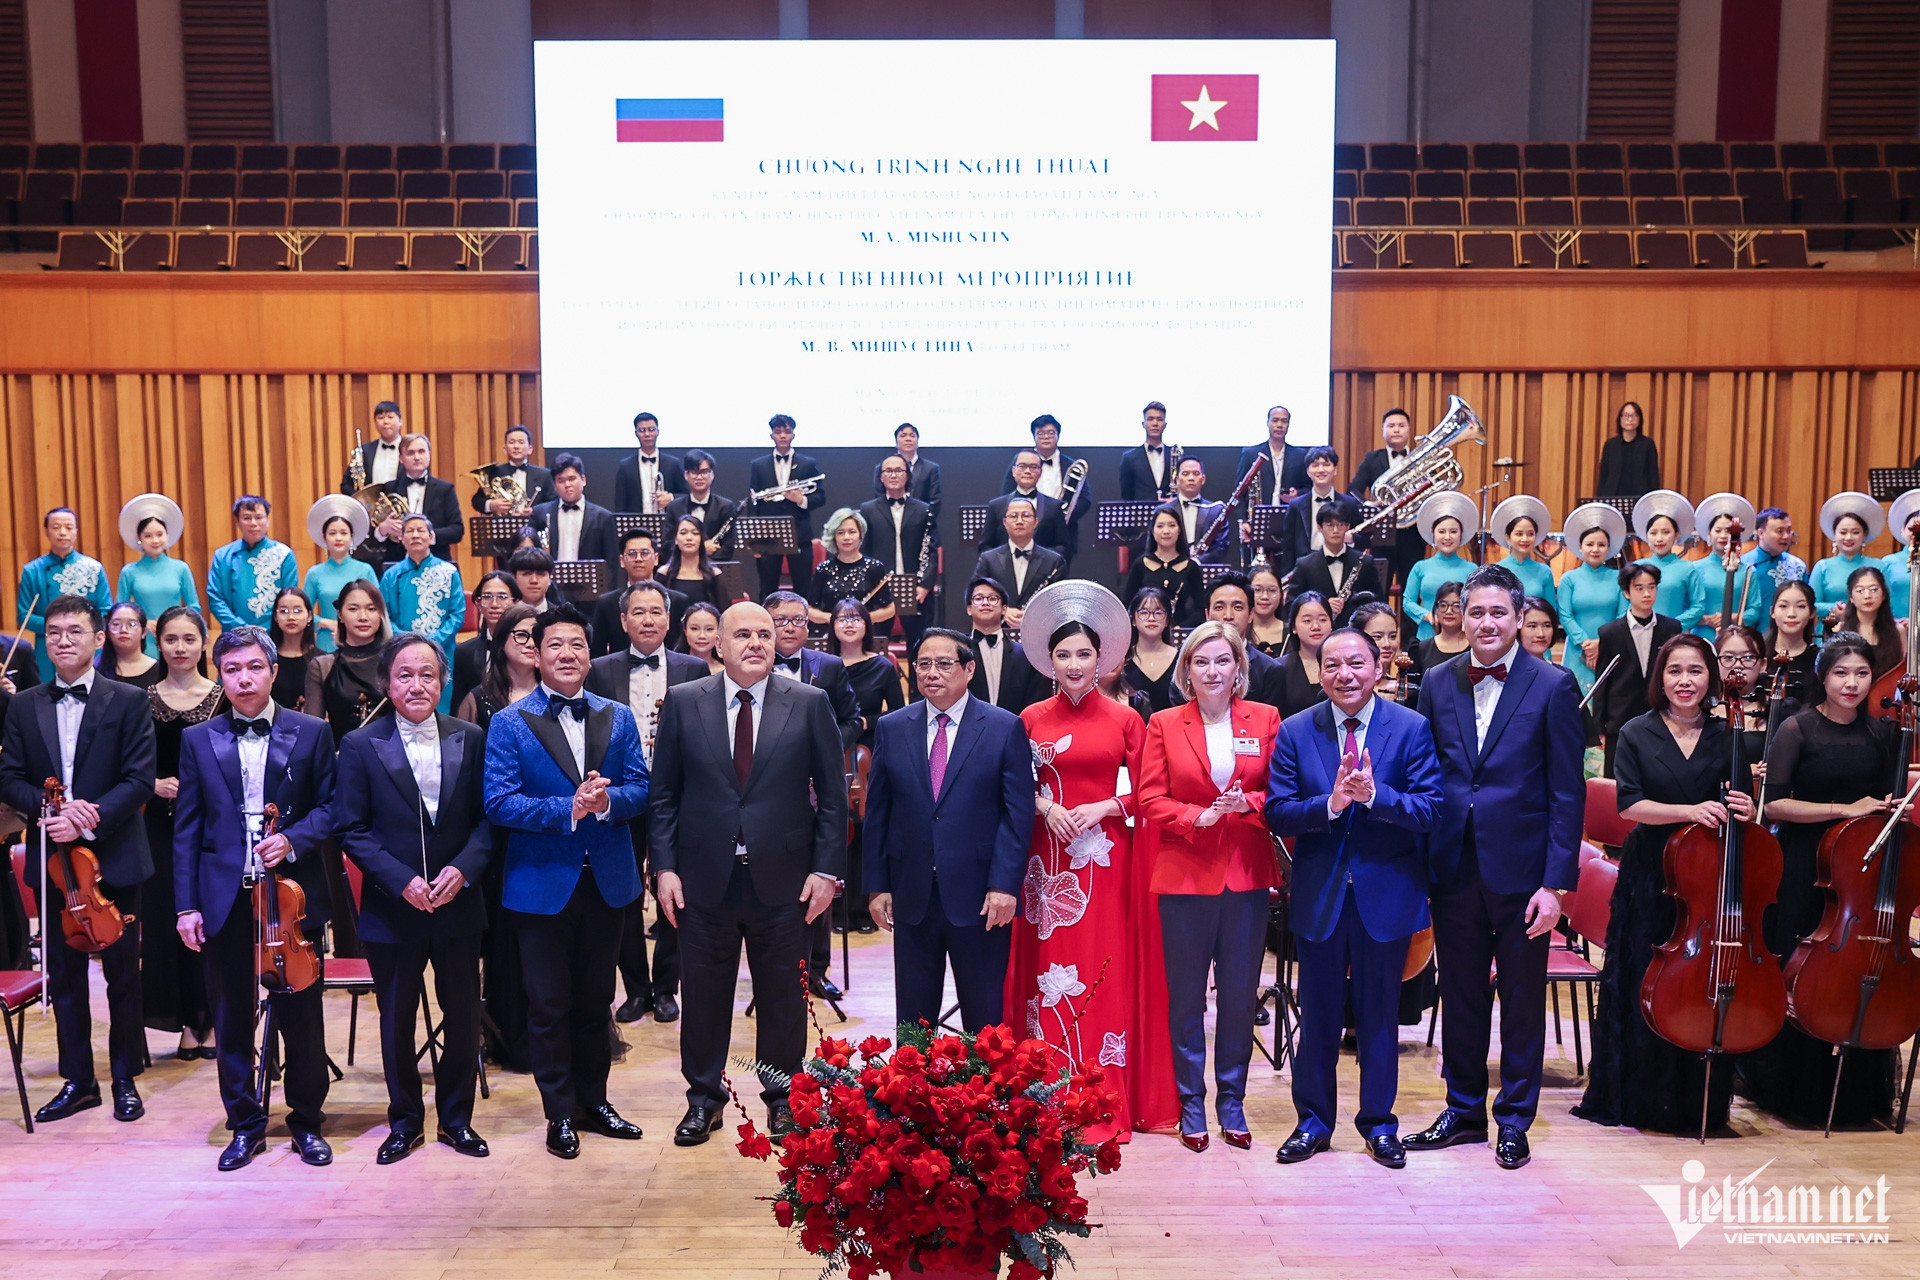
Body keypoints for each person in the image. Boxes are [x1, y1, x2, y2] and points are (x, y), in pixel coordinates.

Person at [649, 601, 848, 1147]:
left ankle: (784, 1099)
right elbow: (663, 795)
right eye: (743, 634)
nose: (757, 642)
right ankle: (704, 1100)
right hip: (702, 879)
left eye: (766, 632)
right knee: (706, 997)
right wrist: (663, 868)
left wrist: (827, 871)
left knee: (783, 997)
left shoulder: (809, 702)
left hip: (785, 880)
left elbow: (833, 798)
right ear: (719, 644)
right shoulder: (686, 702)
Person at [1408, 566, 1584, 1171]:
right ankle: (1462, 1111)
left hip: (1525, 872)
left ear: (1518, 618)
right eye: (1475, 612)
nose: (1485, 623)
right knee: (1457, 996)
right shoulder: (1436, 680)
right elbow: (1426, 776)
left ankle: (1514, 1118)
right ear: (1460, 615)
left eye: (1497, 614)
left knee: (1522, 999)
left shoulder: (1553, 685)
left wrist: (1556, 884)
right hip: (1453, 866)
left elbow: (1568, 793)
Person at [1267, 625, 1442, 1167]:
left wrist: (1376, 797)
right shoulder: (1297, 730)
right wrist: (1332, 804)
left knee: (1378, 1018)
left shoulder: (1410, 728)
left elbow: (1430, 809)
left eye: (1357, 664)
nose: (1345, 674)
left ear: (1378, 669)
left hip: (1384, 895)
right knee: (1316, 1017)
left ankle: (1379, 1124)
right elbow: (1276, 811)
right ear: (1320, 674)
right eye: (1333, 665)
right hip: (1321, 896)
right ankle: (1312, 1123)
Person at [482, 604, 650, 1158]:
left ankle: (594, 1102)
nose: (567, 655)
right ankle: (559, 1114)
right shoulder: (509, 722)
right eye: (554, 645)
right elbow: (499, 801)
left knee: (595, 1000)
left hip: (606, 880)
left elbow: (641, 789)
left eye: (577, 645)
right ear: (536, 652)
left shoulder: (618, 715)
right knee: (548, 1004)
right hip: (539, 884)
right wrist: (567, 808)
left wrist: (606, 804)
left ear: (590, 651)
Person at [1003, 581, 1163, 1141]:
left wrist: (1104, 806)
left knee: (1101, 967)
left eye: (1084, 654)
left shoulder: (1126, 720)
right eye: (1064, 654)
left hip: (1103, 859)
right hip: (1044, 867)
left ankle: (1099, 1097)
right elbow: (1013, 786)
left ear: (1103, 660)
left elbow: (1150, 791)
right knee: (1046, 972)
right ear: (1049, 660)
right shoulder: (1026, 718)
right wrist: (1044, 805)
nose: (1074, 664)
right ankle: (1043, 1096)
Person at [173, 625, 338, 1170]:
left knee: (302, 1019)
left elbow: (332, 809)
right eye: (232, 669)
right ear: (220, 676)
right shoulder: (198, 739)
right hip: (224, 897)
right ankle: (245, 1124)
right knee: (233, 1017)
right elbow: (188, 830)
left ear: (272, 670)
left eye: (254, 668)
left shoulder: (312, 732)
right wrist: (186, 904)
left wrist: (292, 838)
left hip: (291, 901)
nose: (244, 678)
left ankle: (307, 1123)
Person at [1573, 634, 1749, 1133]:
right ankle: (1637, 1098)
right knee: (1645, 981)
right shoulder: (1635, 731)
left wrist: (1746, 808)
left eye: (1695, 671)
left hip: (1710, 880)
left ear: (1711, 678)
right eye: (1675, 671)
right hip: (1652, 875)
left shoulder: (1731, 735)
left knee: (1702, 986)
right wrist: (1689, 812)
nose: (1685, 681)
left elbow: (1746, 805)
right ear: (1660, 678)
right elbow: (1629, 806)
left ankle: (1698, 1100)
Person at [335, 633, 493, 1163]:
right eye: (405, 675)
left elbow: (486, 822)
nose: (417, 684)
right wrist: (401, 880)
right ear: (386, 682)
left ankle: (456, 1120)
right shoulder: (360, 744)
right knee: (396, 1016)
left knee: (463, 1013)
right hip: (392, 907)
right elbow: (352, 830)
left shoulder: (470, 736)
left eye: (428, 674)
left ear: (443, 681)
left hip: (457, 903)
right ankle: (404, 1121)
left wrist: (462, 872)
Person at [0, 595, 156, 1124]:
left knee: (122, 976)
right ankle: (79, 1081)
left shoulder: (130, 700)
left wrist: (87, 818)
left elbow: (138, 780)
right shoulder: (24, 704)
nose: (63, 640)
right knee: (64, 975)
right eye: (53, 634)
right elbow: (8, 777)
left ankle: (126, 1079)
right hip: (53, 859)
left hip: (116, 854)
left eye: (74, 631)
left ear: (98, 638)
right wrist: (52, 810)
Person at [1138, 621, 1283, 1152]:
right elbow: (1150, 799)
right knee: (1186, 998)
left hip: (1245, 875)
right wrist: (1196, 817)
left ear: (1239, 667)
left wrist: (1251, 804)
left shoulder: (1265, 718)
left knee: (1241, 997)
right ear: (1186, 672)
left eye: (1223, 660)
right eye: (1201, 662)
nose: (1213, 670)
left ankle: (1232, 1100)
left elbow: (1281, 790)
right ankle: (1190, 1103)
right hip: (1184, 876)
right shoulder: (1163, 722)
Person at [1749, 634, 1899, 1125]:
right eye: (1841, 673)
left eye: (1860, 674)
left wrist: (1890, 808)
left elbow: (1883, 801)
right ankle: (1793, 1091)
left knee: (1853, 975)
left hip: (1859, 875)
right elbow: (1773, 803)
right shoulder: (1798, 729)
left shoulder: (1883, 733)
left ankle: (1857, 1094)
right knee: (1803, 971)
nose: (1851, 683)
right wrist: (1843, 810)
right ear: (1823, 676)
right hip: (1804, 868)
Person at [864, 627, 1031, 1031]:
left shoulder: (1003, 726)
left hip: (981, 897)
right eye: (923, 664)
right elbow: (878, 813)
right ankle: (914, 1093)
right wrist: (877, 885)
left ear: (969, 668)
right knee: (914, 1017)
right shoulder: (892, 726)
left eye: (944, 663)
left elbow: (1017, 814)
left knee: (985, 1015)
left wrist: (1005, 885)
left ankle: (988, 1094)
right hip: (911, 891)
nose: (931, 673)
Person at [587, 581, 707, 1026]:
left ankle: (667, 986)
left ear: (669, 618)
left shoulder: (695, 668)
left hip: (679, 796)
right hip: (618, 796)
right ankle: (636, 987)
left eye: (656, 612)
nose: (648, 620)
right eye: (638, 612)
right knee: (623, 892)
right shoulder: (599, 669)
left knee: (676, 889)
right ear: (623, 621)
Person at [458, 603, 540, 1072]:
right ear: (501, 640)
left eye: (536, 636)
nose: (529, 644)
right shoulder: (479, 698)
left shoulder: (563, 694)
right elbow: (466, 776)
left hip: (551, 831)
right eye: (520, 635)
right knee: (506, 943)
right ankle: (507, 1037)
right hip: (499, 836)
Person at [142, 606, 224, 1060]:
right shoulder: (141, 697)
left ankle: (210, 1019)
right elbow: (130, 762)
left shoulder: (221, 695)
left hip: (209, 825)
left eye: (189, 639)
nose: (180, 648)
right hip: (158, 824)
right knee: (168, 924)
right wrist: (152, 783)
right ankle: (184, 1024)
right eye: (171, 639)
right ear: (159, 643)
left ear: (203, 644)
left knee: (207, 922)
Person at [1593, 563, 1683, 776]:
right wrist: (1599, 727)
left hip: (1661, 716)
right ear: (1626, 592)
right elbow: (1602, 681)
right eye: (1639, 588)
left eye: (1652, 587)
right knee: (1617, 782)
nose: (1647, 593)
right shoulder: (1610, 632)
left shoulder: (1672, 628)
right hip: (1620, 719)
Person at [379, 513, 464, 711]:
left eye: (420, 530)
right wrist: (407, 640)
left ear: (431, 537)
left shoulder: (449, 572)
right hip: (401, 650)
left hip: (443, 650)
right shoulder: (391, 575)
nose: (415, 535)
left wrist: (433, 641)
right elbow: (385, 616)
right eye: (409, 531)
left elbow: (457, 613)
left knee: (441, 703)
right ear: (401, 538)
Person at [19, 507, 114, 684]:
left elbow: (105, 610)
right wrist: (56, 628)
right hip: (48, 645)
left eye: (69, 527)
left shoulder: (94, 568)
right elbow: (24, 616)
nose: (63, 532)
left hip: (86, 643)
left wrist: (79, 629)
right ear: (46, 531)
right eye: (56, 527)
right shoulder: (31, 571)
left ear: (76, 531)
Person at [861, 454, 939, 647]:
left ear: (907, 476)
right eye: (888, 471)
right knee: (876, 647)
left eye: (899, 470)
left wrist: (925, 585)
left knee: (920, 647)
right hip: (879, 588)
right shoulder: (867, 510)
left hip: (915, 588)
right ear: (881, 477)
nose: (893, 475)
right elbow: (865, 552)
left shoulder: (924, 509)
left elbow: (931, 549)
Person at [746, 413, 826, 599]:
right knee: (767, 589)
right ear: (772, 435)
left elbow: (820, 496)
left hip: (800, 535)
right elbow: (753, 502)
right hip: (768, 537)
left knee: (804, 588)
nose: (783, 436)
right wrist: (754, 542)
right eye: (778, 432)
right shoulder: (758, 465)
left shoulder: (808, 463)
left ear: (793, 435)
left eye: (787, 431)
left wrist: (801, 500)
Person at [1349, 407, 1427, 592]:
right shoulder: (1372, 459)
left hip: (1412, 534)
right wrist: (1368, 504)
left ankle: (1410, 623)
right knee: (1378, 588)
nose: (1396, 429)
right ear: (1383, 430)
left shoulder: (1421, 457)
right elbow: (1353, 490)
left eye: (1401, 425)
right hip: (1381, 534)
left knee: (1412, 589)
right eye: (1391, 426)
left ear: (1409, 429)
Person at [304, 580, 392, 742]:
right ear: (340, 615)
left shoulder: (394, 661)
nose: (363, 617)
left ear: (380, 614)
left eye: (371, 609)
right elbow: (313, 732)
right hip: (343, 760)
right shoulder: (322, 666)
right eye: (353, 609)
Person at [1557, 504, 1630, 696]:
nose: (1595, 549)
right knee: (1575, 702)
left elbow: (1623, 614)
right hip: (1576, 649)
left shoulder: (1619, 578)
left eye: (1601, 545)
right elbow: (1565, 614)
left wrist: (1601, 643)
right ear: (1580, 547)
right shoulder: (1569, 579)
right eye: (1589, 544)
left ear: (1609, 548)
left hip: (1610, 648)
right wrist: (1585, 643)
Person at [115, 494, 200, 656]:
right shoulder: (129, 571)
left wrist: (176, 623)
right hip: (143, 637)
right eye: (148, 536)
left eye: (159, 534)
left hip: (176, 636)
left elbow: (194, 606)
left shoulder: (181, 568)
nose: (155, 540)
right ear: (139, 538)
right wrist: (143, 623)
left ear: (167, 536)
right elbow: (120, 609)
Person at [1002, 414, 1090, 568]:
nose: (1046, 437)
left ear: (1058, 436)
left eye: (1051, 433)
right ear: (1034, 436)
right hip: (1023, 531)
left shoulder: (1072, 465)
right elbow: (1007, 494)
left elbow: (1085, 499)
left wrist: (1061, 518)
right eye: (1040, 433)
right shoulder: (1020, 463)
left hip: (1060, 538)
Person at [368, 433, 465, 568]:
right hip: (398, 563)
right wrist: (383, 529)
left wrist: (425, 537)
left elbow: (457, 530)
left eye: (421, 451)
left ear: (429, 455)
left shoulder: (445, 489)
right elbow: (374, 534)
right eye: (410, 453)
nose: (417, 457)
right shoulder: (389, 488)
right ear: (401, 458)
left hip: (437, 563)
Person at [1287, 495, 1383, 627]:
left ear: (1348, 527)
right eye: (1330, 525)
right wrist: (1322, 605)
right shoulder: (1305, 565)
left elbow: (1378, 602)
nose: (1336, 530)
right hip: (1318, 633)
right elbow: (1292, 605)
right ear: (1320, 528)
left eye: (1340, 524)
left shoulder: (1364, 561)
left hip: (1356, 632)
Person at [206, 495, 299, 631]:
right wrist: (239, 626)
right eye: (247, 518)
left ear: (268, 520)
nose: (253, 523)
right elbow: (215, 598)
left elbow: (289, 599)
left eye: (259, 517)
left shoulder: (284, 555)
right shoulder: (222, 556)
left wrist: (264, 629)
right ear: (237, 522)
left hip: (275, 635)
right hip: (234, 634)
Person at [303, 496, 378, 654]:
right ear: (324, 537)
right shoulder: (315, 573)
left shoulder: (365, 570)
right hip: (327, 640)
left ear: (351, 537)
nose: (338, 538)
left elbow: (378, 609)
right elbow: (304, 613)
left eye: (343, 533)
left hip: (360, 639)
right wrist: (327, 623)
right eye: (332, 533)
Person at [594, 529, 685, 658]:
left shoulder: (677, 600)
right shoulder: (606, 603)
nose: (638, 559)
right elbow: (597, 651)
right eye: (631, 554)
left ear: (656, 558)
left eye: (645, 553)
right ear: (621, 560)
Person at [1203, 575, 1288, 709]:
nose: (1228, 616)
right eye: (1219, 607)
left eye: (1237, 607)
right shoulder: (1189, 665)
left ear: (1251, 615)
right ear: (1207, 615)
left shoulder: (1270, 671)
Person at [531, 453, 621, 581]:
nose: (567, 485)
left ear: (583, 480)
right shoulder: (539, 514)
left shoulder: (603, 517)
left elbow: (611, 563)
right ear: (555, 486)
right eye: (561, 481)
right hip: (552, 587)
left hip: (591, 588)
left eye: (572, 479)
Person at [976, 496, 1066, 621]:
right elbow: (975, 597)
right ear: (1005, 523)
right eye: (1013, 516)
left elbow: (1059, 604)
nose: (1019, 521)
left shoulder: (1055, 562)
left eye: (1026, 515)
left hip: (1038, 630)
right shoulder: (988, 559)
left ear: (1036, 522)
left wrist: (1031, 615)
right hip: (997, 630)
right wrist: (1002, 611)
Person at [963, 577, 1046, 713]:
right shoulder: (957, 650)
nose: (985, 603)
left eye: (992, 598)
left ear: (1004, 609)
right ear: (969, 609)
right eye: (978, 598)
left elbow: (1034, 703)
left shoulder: (1025, 655)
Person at [1405, 494, 1480, 642]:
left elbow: (1477, 603)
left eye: (1453, 532)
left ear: (1461, 535)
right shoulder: (1421, 567)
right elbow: (1407, 602)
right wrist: (1427, 615)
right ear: (1433, 534)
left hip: (1463, 636)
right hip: (1428, 633)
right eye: (1441, 531)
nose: (1447, 537)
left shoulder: (1472, 569)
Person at [832, 598, 905, 749]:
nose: (849, 624)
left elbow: (899, 713)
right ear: (833, 625)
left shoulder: (883, 667)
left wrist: (867, 722)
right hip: (829, 741)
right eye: (843, 619)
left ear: (867, 624)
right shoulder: (823, 665)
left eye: (856, 619)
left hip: (871, 741)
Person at [809, 509, 895, 633]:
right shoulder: (823, 569)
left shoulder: (874, 568)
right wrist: (832, 618)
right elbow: (811, 610)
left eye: (852, 532)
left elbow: (890, 609)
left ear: (861, 535)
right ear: (834, 536)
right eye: (840, 533)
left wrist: (862, 619)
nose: (846, 537)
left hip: (865, 634)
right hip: (831, 634)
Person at [1690, 498, 1764, 638]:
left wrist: (1731, 617)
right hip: (1702, 637)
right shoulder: (1694, 568)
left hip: (1736, 637)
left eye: (1728, 531)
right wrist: (1706, 619)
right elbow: (1686, 607)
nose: (1723, 536)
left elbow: (1754, 611)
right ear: (1708, 535)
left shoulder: (1747, 571)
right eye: (1717, 530)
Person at [1119, 509, 1205, 629]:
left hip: (1178, 630)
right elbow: (1127, 605)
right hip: (1146, 631)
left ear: (1179, 530)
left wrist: (1181, 628)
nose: (1166, 531)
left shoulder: (1191, 566)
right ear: (1152, 531)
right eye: (1160, 526)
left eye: (1172, 525)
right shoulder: (1140, 564)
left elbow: (1201, 610)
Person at [1810, 494, 1882, 632]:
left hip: (1870, 630)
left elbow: (1886, 602)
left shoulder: (1878, 566)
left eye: (1855, 532)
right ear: (1834, 534)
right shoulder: (1822, 566)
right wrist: (1835, 609)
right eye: (1843, 532)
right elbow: (1812, 604)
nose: (1848, 537)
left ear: (1864, 535)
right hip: (1829, 630)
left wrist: (1851, 610)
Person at [981, 451, 1071, 560]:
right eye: (1022, 466)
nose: (1027, 471)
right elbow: (985, 546)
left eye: (1033, 467)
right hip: (1003, 574)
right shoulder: (996, 506)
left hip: (1043, 574)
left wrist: (1045, 562)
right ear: (1013, 471)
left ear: (1040, 472)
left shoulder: (1054, 507)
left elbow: (1063, 546)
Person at [1633, 492, 1702, 632]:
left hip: (1673, 636)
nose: (1659, 539)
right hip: (1639, 633)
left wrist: (1671, 625)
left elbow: (1698, 606)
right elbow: (1625, 606)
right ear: (1646, 536)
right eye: (1653, 533)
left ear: (1676, 535)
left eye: (1665, 532)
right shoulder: (1636, 567)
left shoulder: (1688, 568)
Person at [454, 571, 520, 713]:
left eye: (502, 597)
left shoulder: (528, 647)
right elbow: (458, 706)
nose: (494, 604)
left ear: (516, 602)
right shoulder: (464, 652)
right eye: (487, 597)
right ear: (478, 603)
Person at [1234, 403, 1312, 518]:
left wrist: (1297, 495)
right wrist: (1243, 520)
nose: (1279, 425)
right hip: (1258, 517)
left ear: (1288, 425)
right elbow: (1238, 492)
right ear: (1268, 423)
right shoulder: (1251, 454)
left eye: (1284, 421)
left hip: (1290, 517)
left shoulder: (1300, 455)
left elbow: (1309, 488)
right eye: (1275, 420)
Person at [664, 448, 739, 560]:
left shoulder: (725, 507)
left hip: (714, 570)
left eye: (704, 472)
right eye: (694, 472)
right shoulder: (674, 507)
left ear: (712, 475)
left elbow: (728, 548)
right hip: (681, 570)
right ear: (686, 475)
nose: (699, 477)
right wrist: (702, 549)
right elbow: (667, 546)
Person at [1280, 446, 1345, 568]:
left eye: (1326, 464)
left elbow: (1362, 539)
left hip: (1340, 564)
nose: (1320, 470)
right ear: (1308, 472)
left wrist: (1350, 537)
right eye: (1315, 465)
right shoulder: (1296, 505)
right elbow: (1288, 547)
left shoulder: (1348, 503)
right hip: (1305, 568)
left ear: (1335, 469)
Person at [1159, 456, 1233, 564]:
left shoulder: (1216, 510)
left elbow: (1221, 547)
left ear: (1203, 479)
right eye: (1185, 474)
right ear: (1177, 480)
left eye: (1196, 473)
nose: (1191, 478)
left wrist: (1197, 562)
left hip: (1205, 570)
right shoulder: (1163, 511)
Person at [1740, 506, 1807, 623]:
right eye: (1780, 531)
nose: (1786, 536)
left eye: (1789, 530)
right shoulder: (1743, 565)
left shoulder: (1798, 566)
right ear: (1761, 533)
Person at [612, 411, 687, 514]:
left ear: (658, 432)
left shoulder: (673, 464)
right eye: (642, 430)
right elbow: (620, 505)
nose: (647, 434)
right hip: (636, 525)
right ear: (636, 433)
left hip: (668, 524)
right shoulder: (626, 466)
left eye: (651, 429)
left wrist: (671, 497)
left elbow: (686, 495)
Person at [469, 423, 554, 514]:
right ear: (505, 449)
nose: (516, 446)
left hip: (534, 526)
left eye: (521, 442)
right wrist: (491, 505)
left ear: (530, 449)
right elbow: (477, 501)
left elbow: (553, 502)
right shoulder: (494, 472)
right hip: (502, 526)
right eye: (511, 442)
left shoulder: (544, 475)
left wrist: (535, 511)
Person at [1761, 580, 1819, 712]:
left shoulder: (1819, 660)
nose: (1791, 613)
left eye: (1801, 606)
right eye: (1783, 606)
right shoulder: (1759, 655)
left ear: (1812, 612)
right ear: (1772, 612)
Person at [1488, 495, 1556, 604]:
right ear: (1508, 537)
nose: (1525, 539)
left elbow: (1550, 610)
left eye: (1530, 534)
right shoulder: (1496, 571)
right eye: (1519, 534)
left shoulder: (1544, 571)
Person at [1277, 591, 1334, 719]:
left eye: (1323, 619)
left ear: (1331, 625)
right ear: (1293, 627)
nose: (1316, 626)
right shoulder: (1278, 668)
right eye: (1307, 621)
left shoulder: (1343, 667)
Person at [1837, 566, 1902, 678]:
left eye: (1873, 589)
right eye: (1860, 591)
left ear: (1884, 595)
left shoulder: (1898, 630)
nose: (1867, 596)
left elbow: (1903, 671)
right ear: (1851, 597)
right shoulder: (1841, 630)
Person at [1123, 587, 1180, 714]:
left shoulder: (1181, 658)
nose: (1151, 618)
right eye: (1144, 612)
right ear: (1133, 620)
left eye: (1158, 613)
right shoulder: (1123, 660)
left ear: (1167, 620)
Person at [871, 422, 942, 516]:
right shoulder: (882, 468)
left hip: (920, 521)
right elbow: (879, 496)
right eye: (903, 435)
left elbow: (935, 501)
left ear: (917, 442)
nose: (908, 439)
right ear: (896, 442)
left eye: (912, 436)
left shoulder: (931, 468)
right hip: (889, 520)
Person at [659, 516, 729, 611]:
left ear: (701, 539)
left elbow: (723, 612)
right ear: (676, 539)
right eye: (683, 533)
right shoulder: (664, 573)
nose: (689, 538)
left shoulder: (714, 574)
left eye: (695, 533)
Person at [1596, 400, 1661, 499]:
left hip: (1640, 497)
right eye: (1626, 415)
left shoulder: (1647, 444)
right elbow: (1603, 476)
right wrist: (1600, 500)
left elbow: (1653, 476)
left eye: (1634, 415)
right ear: (1620, 419)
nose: (1630, 419)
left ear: (1640, 419)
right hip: (1613, 496)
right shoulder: (1610, 445)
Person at [268, 587, 319, 711]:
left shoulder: (322, 660)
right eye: (284, 611)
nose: (291, 617)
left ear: (310, 616)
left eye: (297, 610)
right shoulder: (266, 658)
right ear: (275, 616)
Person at [343, 399, 407, 492]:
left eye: (390, 417)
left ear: (400, 421)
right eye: (380, 418)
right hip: (371, 506)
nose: (385, 421)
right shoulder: (364, 451)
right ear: (375, 423)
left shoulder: (411, 450)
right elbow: (346, 484)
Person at [1119, 401, 1178, 501]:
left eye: (1159, 419)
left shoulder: (1175, 455)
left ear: (1165, 424)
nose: (1155, 423)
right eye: (1150, 419)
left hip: (1170, 513)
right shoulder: (1129, 458)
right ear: (1143, 424)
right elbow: (1127, 495)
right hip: (1140, 514)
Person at [1351, 601, 1410, 701]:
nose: (1387, 644)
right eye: (1378, 637)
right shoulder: (1341, 689)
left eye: (1393, 636)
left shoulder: (1407, 692)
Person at [1411, 581, 1470, 676]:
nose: (1449, 611)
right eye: (1443, 605)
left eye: (1456, 606)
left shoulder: (1475, 647)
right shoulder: (1422, 648)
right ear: (1436, 610)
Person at [99, 601, 163, 688]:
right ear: (108, 632)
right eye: (116, 624)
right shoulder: (97, 670)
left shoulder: (161, 670)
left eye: (132, 624)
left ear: (144, 632)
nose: (123, 630)